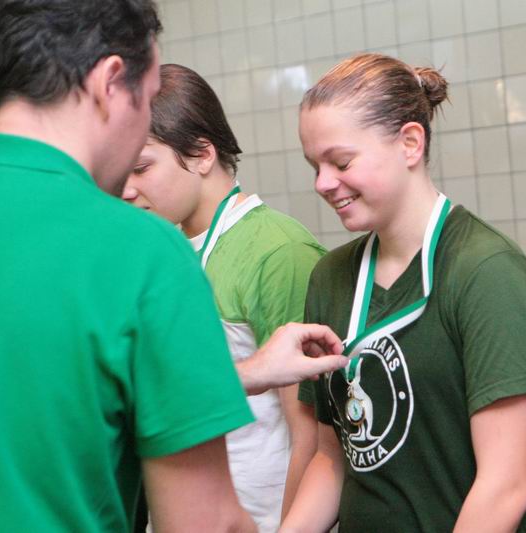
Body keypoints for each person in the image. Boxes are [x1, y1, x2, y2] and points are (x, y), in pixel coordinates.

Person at [0, 2, 344, 532]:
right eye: (148, 98)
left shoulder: (269, 248)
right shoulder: (135, 250)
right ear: (110, 82)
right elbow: (204, 522)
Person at [280, 53, 526, 532]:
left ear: (410, 143)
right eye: (315, 166)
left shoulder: (486, 271)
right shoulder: (330, 278)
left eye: (341, 161)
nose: (323, 183)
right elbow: (333, 457)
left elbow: (505, 487)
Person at [121, 63, 326, 530]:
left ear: (201, 154)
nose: (127, 190)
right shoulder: (167, 250)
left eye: (142, 168)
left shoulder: (277, 250)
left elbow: (310, 436)